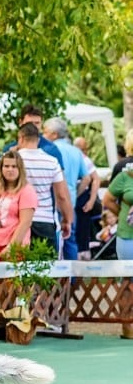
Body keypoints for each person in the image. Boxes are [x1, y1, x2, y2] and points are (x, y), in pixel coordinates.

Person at [15, 122, 72, 250]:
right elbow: (61, 195)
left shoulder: (14, 161)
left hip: (18, 219)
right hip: (45, 219)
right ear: (38, 140)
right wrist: (67, 220)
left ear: (21, 138)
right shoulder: (52, 161)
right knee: (46, 265)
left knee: (18, 265)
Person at [43, 117, 93, 260]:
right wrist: (75, 194)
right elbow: (87, 178)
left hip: (53, 201)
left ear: (54, 134)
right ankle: (71, 279)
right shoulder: (76, 151)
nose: (43, 136)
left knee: (52, 241)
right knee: (70, 241)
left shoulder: (49, 150)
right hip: (70, 201)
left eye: (45, 132)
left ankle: (55, 277)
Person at [102, 164, 133, 339]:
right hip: (128, 235)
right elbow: (106, 200)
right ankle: (128, 326)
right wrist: (123, 214)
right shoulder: (124, 176)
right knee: (128, 280)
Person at [73, 136, 101, 260]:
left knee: (82, 229)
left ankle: (82, 255)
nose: (86, 152)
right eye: (83, 149)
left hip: (81, 198)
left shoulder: (84, 159)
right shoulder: (77, 156)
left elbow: (95, 179)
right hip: (75, 196)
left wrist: (91, 200)